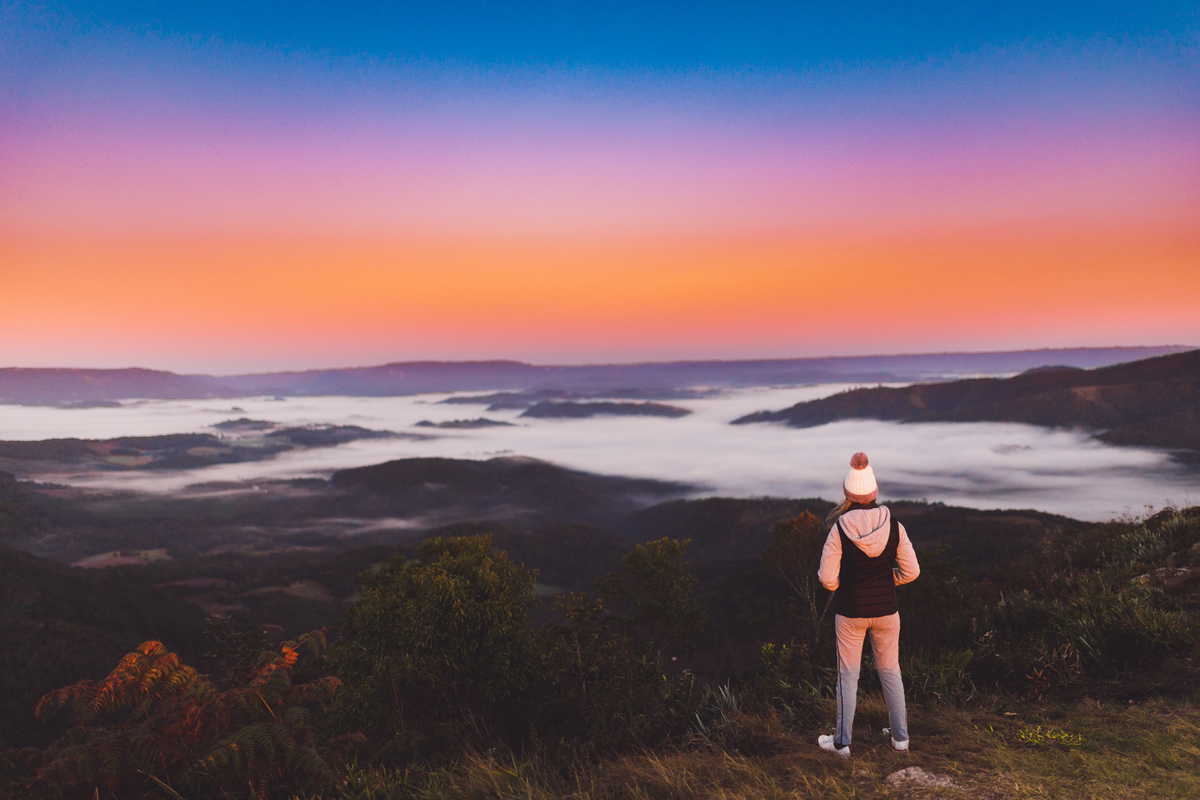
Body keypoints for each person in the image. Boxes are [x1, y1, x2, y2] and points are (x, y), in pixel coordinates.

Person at [816, 452, 920, 758]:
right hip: (887, 611)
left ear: (848, 494)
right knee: (890, 672)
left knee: (848, 677)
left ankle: (842, 744)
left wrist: (849, 585)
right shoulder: (894, 525)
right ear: (874, 492)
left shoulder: (840, 528)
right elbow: (912, 572)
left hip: (850, 613)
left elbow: (828, 580)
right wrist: (887, 582)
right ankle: (900, 739)